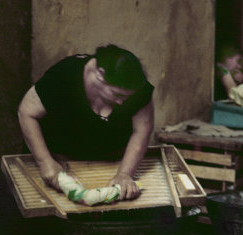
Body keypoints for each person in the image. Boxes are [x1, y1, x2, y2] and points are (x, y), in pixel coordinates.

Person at [17, 44, 155, 200]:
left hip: (108, 162)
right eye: (117, 94)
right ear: (100, 74)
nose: (121, 102)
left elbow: (142, 129)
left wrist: (124, 174)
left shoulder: (138, 86)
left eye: (126, 97)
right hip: (58, 158)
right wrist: (45, 161)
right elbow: (26, 112)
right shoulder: (64, 75)